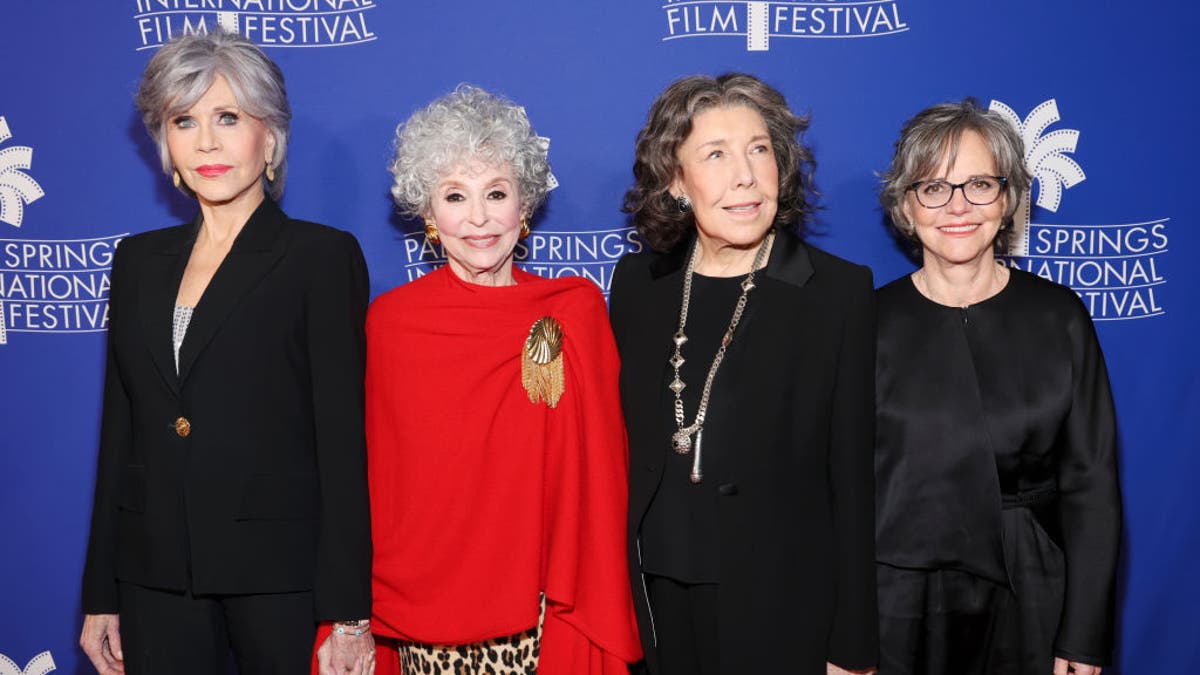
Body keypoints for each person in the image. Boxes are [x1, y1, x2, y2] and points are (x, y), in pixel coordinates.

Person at [78, 30, 373, 675]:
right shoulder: (136, 262)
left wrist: (350, 613)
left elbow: (343, 444)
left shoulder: (320, 258)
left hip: (280, 576)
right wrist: (100, 593)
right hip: (154, 576)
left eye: (228, 118)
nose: (206, 142)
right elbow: (120, 432)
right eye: (184, 121)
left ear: (269, 137)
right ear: (166, 145)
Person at [361, 84, 641, 675]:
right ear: (429, 214)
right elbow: (377, 476)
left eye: (497, 193)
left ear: (526, 205)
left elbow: (602, 470)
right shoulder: (392, 323)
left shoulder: (575, 309)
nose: (480, 218)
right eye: (456, 196)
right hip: (426, 603)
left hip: (544, 601)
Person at [611, 73, 878, 674]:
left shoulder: (835, 292)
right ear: (676, 181)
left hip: (782, 604)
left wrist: (855, 647)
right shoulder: (637, 287)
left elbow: (854, 482)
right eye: (715, 155)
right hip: (653, 599)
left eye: (760, 150)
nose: (746, 176)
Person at [874, 99, 1122, 675]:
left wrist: (1083, 638)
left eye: (980, 184)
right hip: (897, 598)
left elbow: (1092, 486)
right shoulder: (867, 321)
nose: (958, 206)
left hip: (1033, 587)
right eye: (933, 187)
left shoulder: (1058, 315)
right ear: (906, 206)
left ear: (1008, 199)